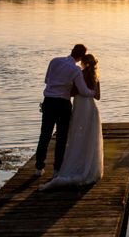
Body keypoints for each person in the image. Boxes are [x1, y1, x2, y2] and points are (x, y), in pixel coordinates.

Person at [39, 53, 103, 190]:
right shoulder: (96, 77)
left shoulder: (78, 74)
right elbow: (97, 96)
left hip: (79, 107)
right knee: (90, 137)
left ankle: (61, 165)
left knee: (75, 136)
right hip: (91, 108)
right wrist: (90, 92)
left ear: (83, 62)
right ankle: (88, 164)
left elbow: (73, 92)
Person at [35, 44, 94, 177]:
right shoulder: (76, 70)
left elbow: (46, 80)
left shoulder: (54, 61)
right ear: (81, 56)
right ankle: (57, 169)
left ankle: (39, 168)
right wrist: (93, 92)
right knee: (61, 137)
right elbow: (83, 91)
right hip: (62, 104)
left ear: (72, 51)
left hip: (48, 101)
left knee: (45, 135)